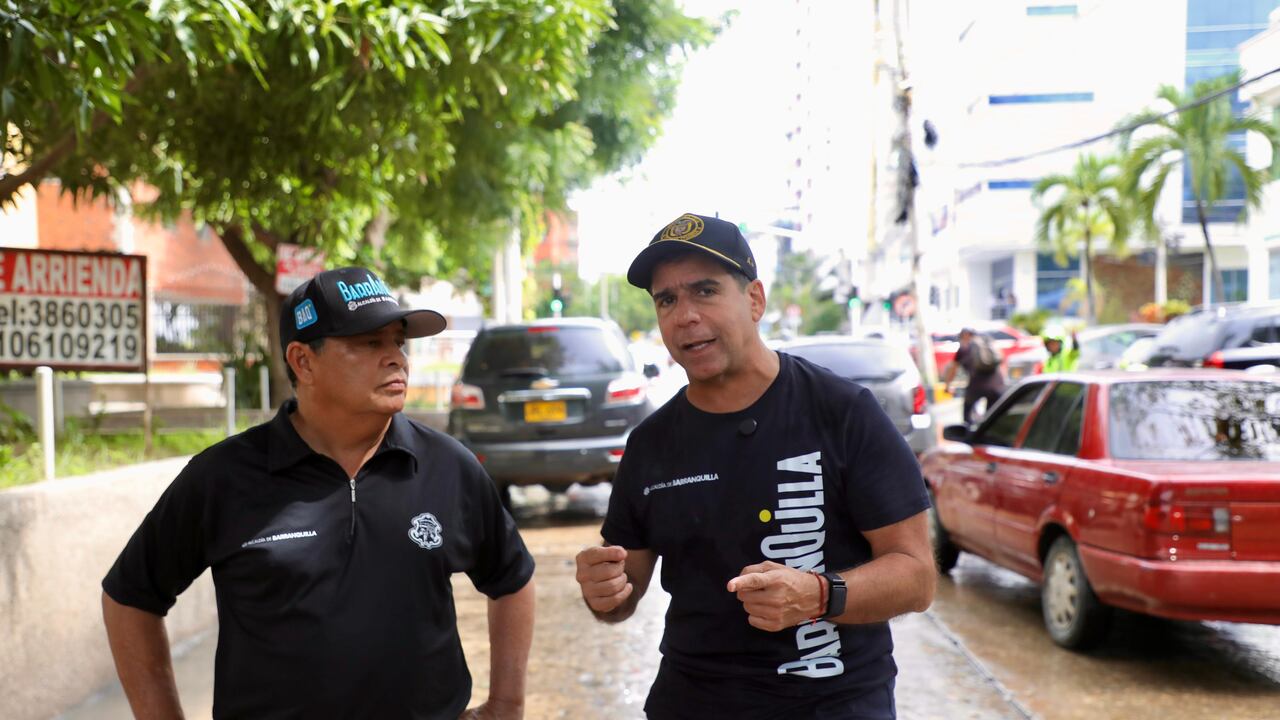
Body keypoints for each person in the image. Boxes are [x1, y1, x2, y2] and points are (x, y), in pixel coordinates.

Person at [101, 267, 536, 719]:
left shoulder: (447, 466)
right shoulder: (223, 478)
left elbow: (512, 578)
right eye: (370, 343)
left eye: (397, 342)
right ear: (303, 361)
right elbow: (130, 598)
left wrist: (507, 703)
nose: (396, 359)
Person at [574, 213, 935, 719]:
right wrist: (602, 591)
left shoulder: (841, 411)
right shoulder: (651, 444)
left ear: (754, 300)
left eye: (704, 291)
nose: (684, 316)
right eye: (667, 300)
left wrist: (817, 594)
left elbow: (917, 577)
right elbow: (619, 597)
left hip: (833, 702)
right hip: (694, 702)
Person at [942, 328, 1005, 425]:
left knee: (967, 417)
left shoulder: (965, 348)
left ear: (965, 335)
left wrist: (947, 385)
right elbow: (1001, 363)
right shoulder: (988, 342)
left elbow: (953, 369)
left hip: (976, 386)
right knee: (993, 419)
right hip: (997, 385)